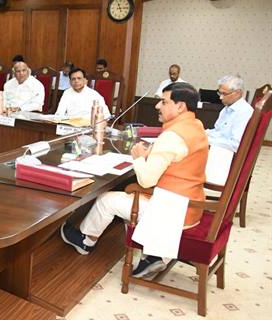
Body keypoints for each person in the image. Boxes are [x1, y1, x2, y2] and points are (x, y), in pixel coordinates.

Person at [60, 82, 208, 278]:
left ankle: (86, 241)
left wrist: (138, 157)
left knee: (106, 200)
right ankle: (152, 254)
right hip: (191, 205)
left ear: (180, 106)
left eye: (164, 102)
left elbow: (146, 181)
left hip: (172, 212)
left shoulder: (172, 136)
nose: (157, 106)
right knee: (127, 192)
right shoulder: (196, 126)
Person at [206, 74, 253, 153]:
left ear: (238, 93)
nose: (220, 97)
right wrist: (202, 133)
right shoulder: (227, 108)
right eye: (220, 93)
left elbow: (235, 145)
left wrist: (205, 139)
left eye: (224, 94)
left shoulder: (244, 112)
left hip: (226, 154)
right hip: (219, 149)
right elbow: (218, 132)